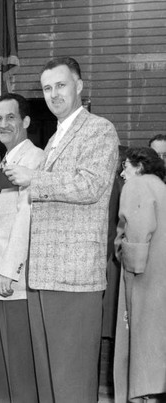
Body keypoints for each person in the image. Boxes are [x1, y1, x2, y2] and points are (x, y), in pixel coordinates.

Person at [4, 56, 119, 402]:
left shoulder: (99, 129)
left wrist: (34, 178)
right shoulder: (55, 138)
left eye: (61, 85)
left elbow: (91, 185)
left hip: (74, 275)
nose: (53, 94)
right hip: (43, 274)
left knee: (71, 383)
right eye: (47, 88)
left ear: (79, 86)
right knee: (50, 382)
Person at [0, 93, 43, 402]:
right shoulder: (6, 160)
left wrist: (8, 271)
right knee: (2, 367)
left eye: (10, 117)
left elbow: (27, 218)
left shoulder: (34, 159)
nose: (3, 124)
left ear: (26, 121)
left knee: (19, 368)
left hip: (14, 281)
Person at [114, 147, 166, 403]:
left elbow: (137, 231)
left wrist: (129, 262)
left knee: (139, 340)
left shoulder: (137, 186)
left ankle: (140, 395)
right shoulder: (160, 186)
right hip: (160, 275)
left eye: (126, 167)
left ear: (140, 166)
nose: (123, 174)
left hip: (143, 276)